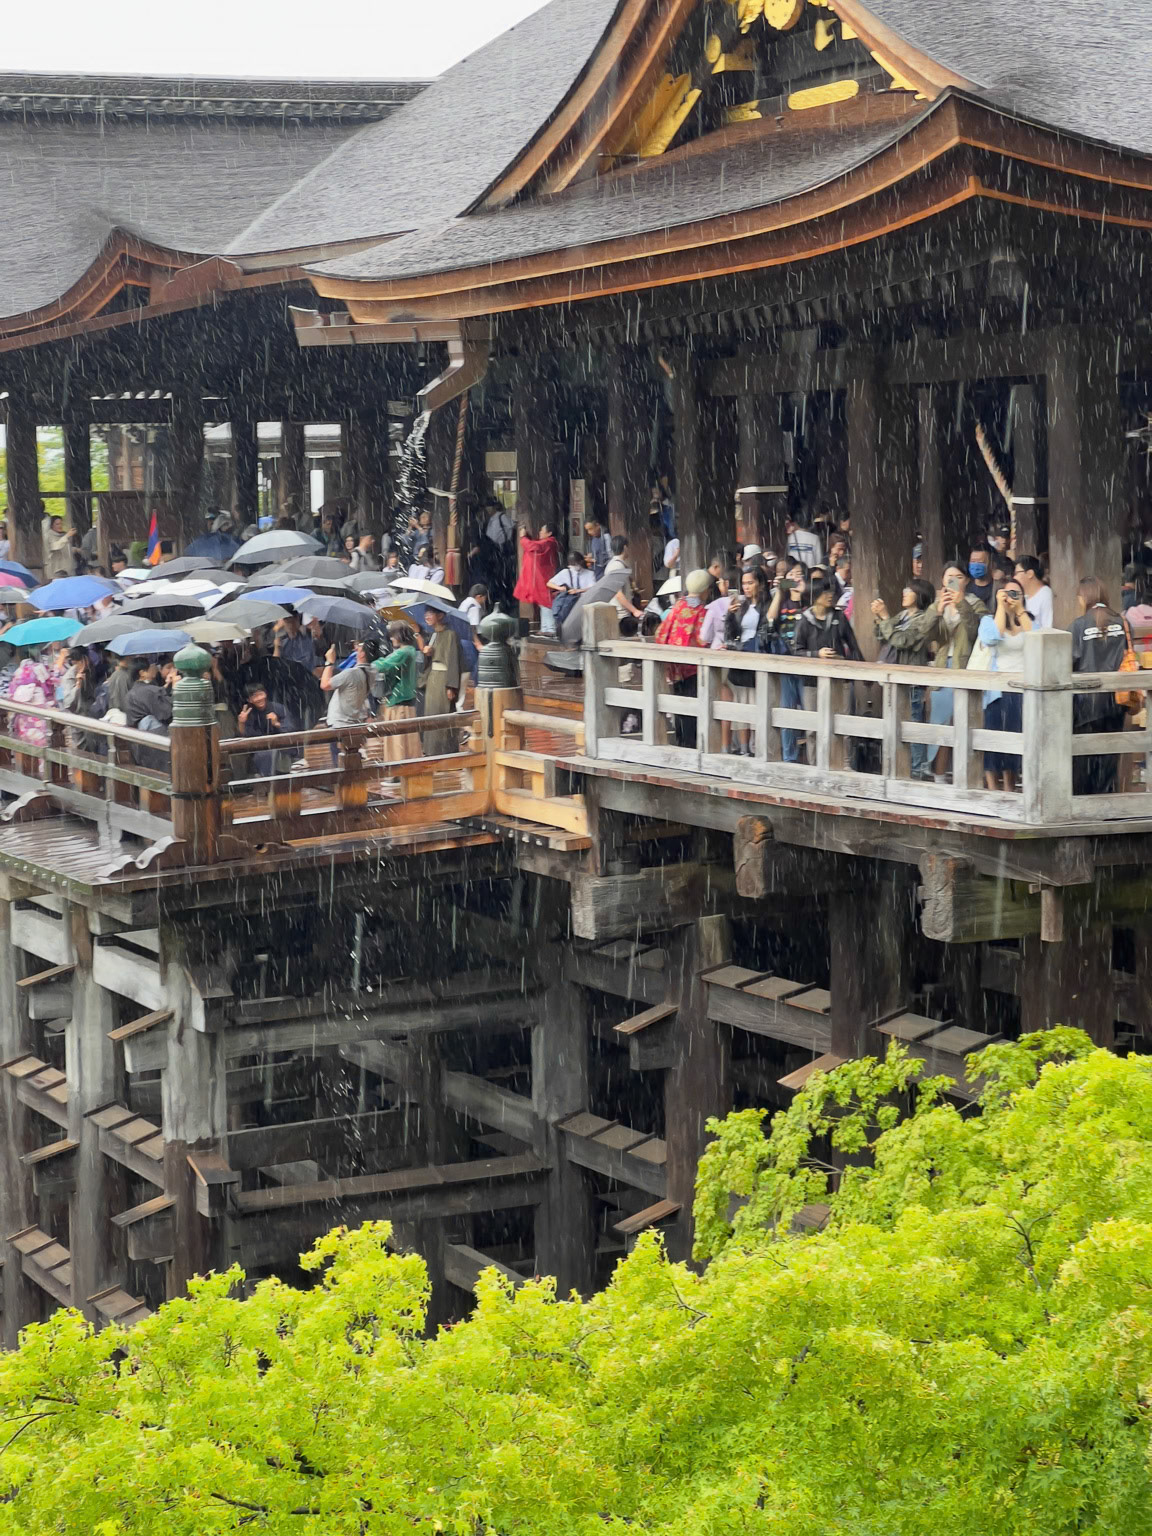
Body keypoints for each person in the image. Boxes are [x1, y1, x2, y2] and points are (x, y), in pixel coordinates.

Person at [871, 576, 938, 780]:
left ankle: (916, 770)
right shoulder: (902, 616)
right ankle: (898, 768)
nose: (904, 593)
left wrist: (884, 617)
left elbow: (902, 641)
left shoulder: (923, 618)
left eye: (908, 591)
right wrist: (880, 618)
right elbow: (881, 635)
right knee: (895, 724)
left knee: (913, 725)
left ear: (920, 596)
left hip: (912, 678)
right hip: (895, 678)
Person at [927, 563, 988, 783]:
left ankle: (967, 776)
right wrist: (937, 611)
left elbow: (974, 632)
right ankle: (939, 774)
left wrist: (961, 603)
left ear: (966, 580)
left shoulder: (976, 603)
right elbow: (926, 635)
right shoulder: (937, 604)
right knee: (941, 723)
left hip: (966, 665)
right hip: (943, 666)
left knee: (967, 722)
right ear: (942, 580)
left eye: (958, 576)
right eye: (949, 576)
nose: (953, 580)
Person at [1070, 577, 1129, 795]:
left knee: (1084, 757)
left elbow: (1068, 661)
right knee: (1109, 755)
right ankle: (1106, 801)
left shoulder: (1078, 626)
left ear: (1084, 597)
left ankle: (1084, 802)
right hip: (1116, 699)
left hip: (1086, 703)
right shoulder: (1122, 623)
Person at [973, 581, 1032, 792]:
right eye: (1007, 592)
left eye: (1016, 592)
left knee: (1015, 740)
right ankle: (992, 788)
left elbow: (1038, 640)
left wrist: (1020, 610)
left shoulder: (1027, 620)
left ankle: (1010, 787)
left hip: (1022, 688)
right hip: (996, 690)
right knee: (993, 737)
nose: (1011, 596)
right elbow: (992, 637)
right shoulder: (988, 620)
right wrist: (1001, 606)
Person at [654, 568, 713, 748]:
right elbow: (704, 640)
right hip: (693, 667)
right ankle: (692, 745)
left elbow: (662, 632)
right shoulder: (702, 611)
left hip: (674, 665)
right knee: (694, 707)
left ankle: (681, 742)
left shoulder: (679, 605)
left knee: (680, 706)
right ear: (705, 590)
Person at [723, 566, 771, 755]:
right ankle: (744, 748)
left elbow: (766, 630)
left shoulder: (767, 604)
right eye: (744, 583)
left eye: (750, 583)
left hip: (758, 655)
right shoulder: (741, 605)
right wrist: (730, 615)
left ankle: (760, 748)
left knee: (758, 703)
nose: (746, 587)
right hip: (741, 656)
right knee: (742, 702)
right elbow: (731, 634)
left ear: (760, 583)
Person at [560, 536, 644, 645]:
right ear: (625, 548)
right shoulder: (617, 566)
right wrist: (634, 610)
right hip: (620, 613)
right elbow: (618, 594)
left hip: (620, 612)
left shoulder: (616, 564)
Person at [371, 622, 423, 764]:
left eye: (393, 635)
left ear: (400, 635)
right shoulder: (410, 650)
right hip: (406, 698)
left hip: (399, 700)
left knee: (397, 740)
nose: (391, 638)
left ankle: (398, 769)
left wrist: (366, 665)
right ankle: (405, 767)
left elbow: (383, 665)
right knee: (407, 740)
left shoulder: (403, 652)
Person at [320, 640, 374, 763]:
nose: (355, 649)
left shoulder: (351, 673)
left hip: (340, 723)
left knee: (340, 761)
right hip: (355, 721)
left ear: (362, 655)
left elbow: (325, 685)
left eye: (359, 649)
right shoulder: (371, 671)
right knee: (352, 756)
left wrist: (329, 662)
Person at [419, 607, 463, 755]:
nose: (427, 616)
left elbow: (453, 660)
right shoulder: (432, 636)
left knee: (445, 713)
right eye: (426, 614)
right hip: (432, 678)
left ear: (441, 615)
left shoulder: (451, 634)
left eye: (431, 614)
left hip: (444, 678)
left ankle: (446, 750)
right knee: (431, 713)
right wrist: (427, 653)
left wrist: (451, 686)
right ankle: (431, 750)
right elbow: (429, 662)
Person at [239, 683, 296, 776]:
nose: (259, 698)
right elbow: (245, 736)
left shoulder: (278, 708)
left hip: (282, 749)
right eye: (254, 696)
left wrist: (276, 723)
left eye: (261, 694)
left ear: (265, 694)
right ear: (249, 700)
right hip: (260, 751)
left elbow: (291, 729)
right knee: (263, 755)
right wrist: (242, 722)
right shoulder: (250, 714)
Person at [514, 524, 561, 634]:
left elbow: (532, 546)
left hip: (544, 576)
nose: (540, 532)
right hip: (543, 575)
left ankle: (550, 629)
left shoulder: (549, 542)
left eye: (542, 530)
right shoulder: (549, 542)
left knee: (546, 601)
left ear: (549, 533)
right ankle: (545, 628)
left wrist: (523, 537)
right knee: (542, 602)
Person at [1014, 555, 1053, 629]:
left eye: (1017, 573)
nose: (1014, 577)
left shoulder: (1046, 595)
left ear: (1030, 574)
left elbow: (1048, 629)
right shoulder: (1023, 596)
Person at [967, 543, 996, 609]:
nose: (976, 565)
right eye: (973, 561)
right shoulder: (965, 587)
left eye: (980, 562)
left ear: (991, 564)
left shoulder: (997, 588)